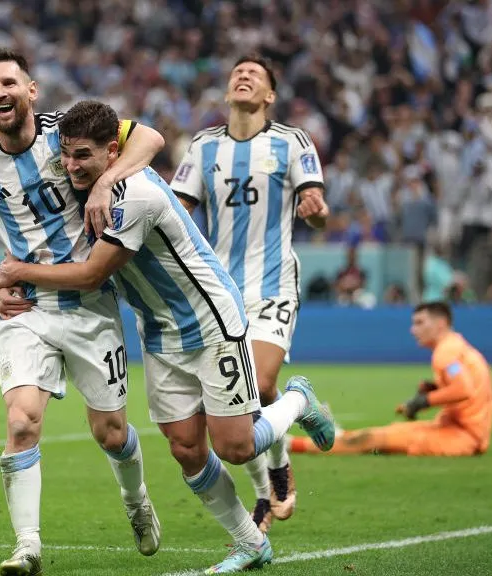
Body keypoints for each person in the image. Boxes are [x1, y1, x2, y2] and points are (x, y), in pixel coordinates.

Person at [0, 100, 336, 574]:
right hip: (157, 332)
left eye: (84, 156)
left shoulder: (136, 195)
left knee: (233, 447)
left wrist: (15, 271)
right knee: (185, 448)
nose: (71, 166)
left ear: (112, 152)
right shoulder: (86, 185)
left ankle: (299, 400)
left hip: (209, 320)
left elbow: (93, 275)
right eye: (66, 154)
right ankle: (250, 542)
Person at [0, 48, 167, 575]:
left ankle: (137, 501)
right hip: (24, 307)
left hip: (91, 304)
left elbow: (149, 137)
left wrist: (102, 182)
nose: (0, 93)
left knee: (110, 434)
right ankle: (27, 546)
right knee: (22, 422)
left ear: (30, 91)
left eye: (9, 82)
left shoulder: (65, 134)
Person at [165, 54, 330, 530]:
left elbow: (317, 211)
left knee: (255, 388)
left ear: (270, 95)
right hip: (220, 291)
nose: (243, 75)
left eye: (254, 74)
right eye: (237, 71)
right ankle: (270, 483)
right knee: (243, 400)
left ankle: (287, 432)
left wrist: (314, 208)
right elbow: (177, 213)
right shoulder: (202, 147)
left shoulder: (291, 141)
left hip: (274, 282)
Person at [291, 302, 492, 457]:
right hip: (458, 429)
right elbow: (466, 385)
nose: (413, 330)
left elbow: (464, 389)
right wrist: (435, 389)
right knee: (390, 430)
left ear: (441, 324)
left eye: (420, 323)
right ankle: (330, 435)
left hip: (461, 437)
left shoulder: (445, 352)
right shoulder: (457, 345)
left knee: (372, 439)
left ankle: (291, 444)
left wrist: (423, 401)